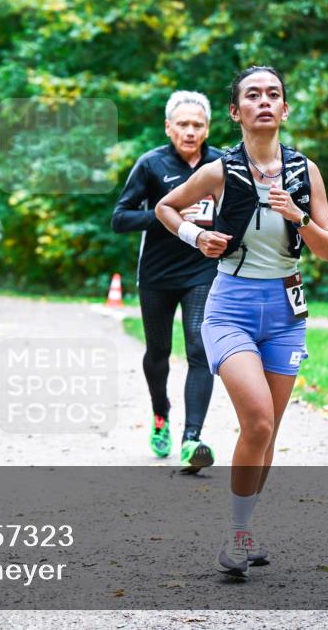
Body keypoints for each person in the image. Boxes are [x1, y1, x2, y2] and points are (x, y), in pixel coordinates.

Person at [155, 66, 328, 578]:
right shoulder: (220, 170)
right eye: (252, 95)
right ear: (236, 112)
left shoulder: (305, 173)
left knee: (267, 431)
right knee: (257, 419)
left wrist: (298, 216)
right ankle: (235, 538)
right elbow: (165, 208)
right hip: (231, 307)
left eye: (274, 95)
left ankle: (244, 529)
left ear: (285, 110)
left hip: (286, 313)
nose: (265, 102)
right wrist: (196, 238)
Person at [112, 91, 223, 473]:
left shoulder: (221, 163)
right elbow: (120, 218)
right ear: (168, 127)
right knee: (158, 355)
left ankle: (192, 439)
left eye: (198, 124)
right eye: (183, 124)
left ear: (207, 128)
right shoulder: (151, 164)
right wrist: (165, 215)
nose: (190, 131)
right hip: (157, 274)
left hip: (202, 271)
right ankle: (161, 414)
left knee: (199, 348)